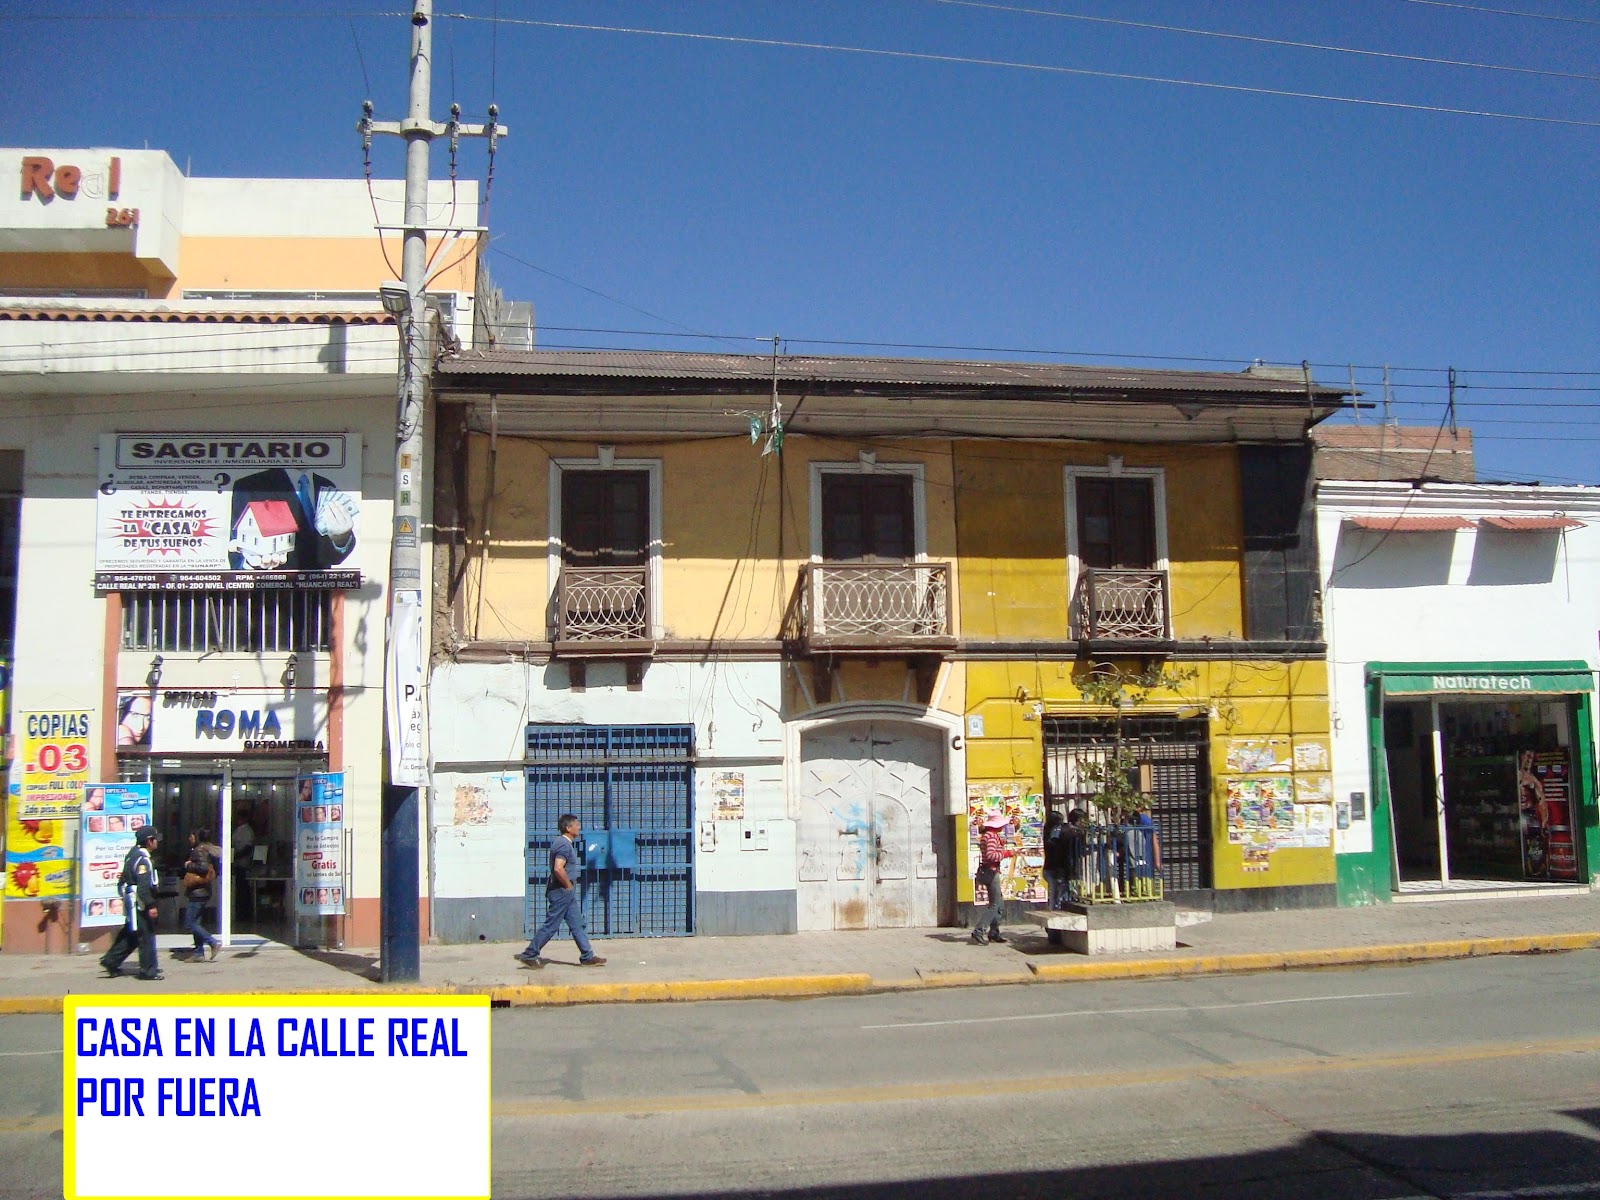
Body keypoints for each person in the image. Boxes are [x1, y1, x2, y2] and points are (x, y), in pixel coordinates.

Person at [515, 814, 606, 968]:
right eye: (576, 825)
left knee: (577, 923)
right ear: (568, 828)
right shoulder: (563, 845)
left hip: (565, 891)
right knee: (551, 925)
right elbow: (558, 868)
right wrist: (568, 885)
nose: (579, 827)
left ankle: (587, 956)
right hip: (561, 891)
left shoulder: (565, 843)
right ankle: (529, 954)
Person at [227, 467, 358, 572]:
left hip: (317, 592)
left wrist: (341, 540)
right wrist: (252, 563)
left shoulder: (325, 484)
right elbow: (237, 560)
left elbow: (331, 558)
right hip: (273, 593)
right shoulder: (250, 485)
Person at [100, 826, 163, 980]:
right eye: (155, 839)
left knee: (131, 935)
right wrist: (151, 905)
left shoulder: (132, 854)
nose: (157, 842)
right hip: (139, 903)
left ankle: (111, 961)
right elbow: (143, 887)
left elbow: (123, 880)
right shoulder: (143, 860)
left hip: (132, 901)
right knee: (146, 936)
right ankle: (148, 971)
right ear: (149, 841)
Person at [180, 828, 223, 962]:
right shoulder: (206, 850)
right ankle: (198, 953)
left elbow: (203, 868)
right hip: (202, 891)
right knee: (196, 922)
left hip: (198, 892)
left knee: (189, 923)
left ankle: (212, 942)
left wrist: (188, 865)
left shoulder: (199, 850)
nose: (190, 839)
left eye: (192, 836)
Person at [970, 812, 1010, 945]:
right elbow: (992, 855)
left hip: (989, 871)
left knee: (999, 905)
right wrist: (1007, 853)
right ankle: (979, 930)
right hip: (991, 872)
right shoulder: (991, 836)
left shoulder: (988, 835)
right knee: (995, 905)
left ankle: (994, 932)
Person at [1042, 809, 1067, 911]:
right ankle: (1053, 910)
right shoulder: (1054, 832)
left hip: (1049, 867)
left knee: (1054, 892)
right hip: (1053, 867)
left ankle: (1053, 909)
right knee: (1055, 892)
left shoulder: (1047, 831)